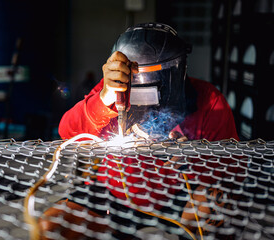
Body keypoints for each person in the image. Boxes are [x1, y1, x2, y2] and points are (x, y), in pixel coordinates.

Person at [38, 23, 241, 240]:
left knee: (217, 207)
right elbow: (67, 130)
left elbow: (233, 172)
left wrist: (193, 161)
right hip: (113, 196)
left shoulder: (210, 101)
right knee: (51, 227)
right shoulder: (112, 90)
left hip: (178, 199)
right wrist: (105, 98)